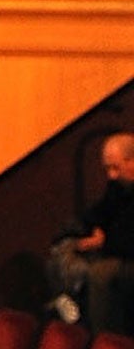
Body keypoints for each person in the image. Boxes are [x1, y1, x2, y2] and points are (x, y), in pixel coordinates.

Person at [49, 132, 134, 334]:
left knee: (100, 274)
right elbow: (99, 212)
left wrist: (103, 242)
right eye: (107, 169)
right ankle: (70, 316)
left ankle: (102, 338)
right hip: (113, 248)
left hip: (127, 254)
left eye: (116, 167)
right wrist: (94, 228)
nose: (111, 175)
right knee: (61, 253)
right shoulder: (118, 186)